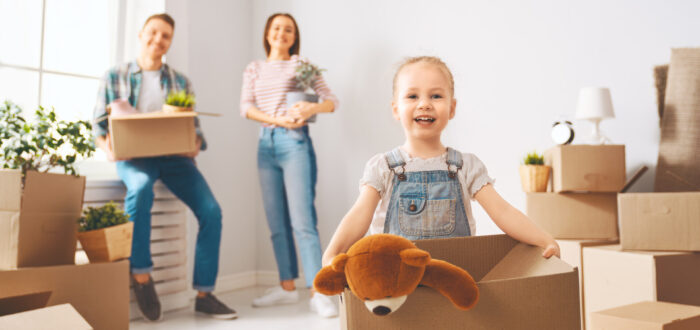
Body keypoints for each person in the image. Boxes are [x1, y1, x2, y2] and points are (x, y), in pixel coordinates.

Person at [322, 56, 560, 267]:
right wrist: (333, 252)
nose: (424, 103)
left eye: (436, 96)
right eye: (412, 96)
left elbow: (503, 212)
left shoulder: (466, 166)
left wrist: (543, 239)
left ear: (452, 108)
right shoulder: (383, 167)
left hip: (454, 278)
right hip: (397, 280)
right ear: (396, 109)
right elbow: (359, 215)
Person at [93, 13, 236, 321]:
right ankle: (142, 277)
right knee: (141, 190)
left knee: (212, 211)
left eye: (166, 36)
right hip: (133, 158)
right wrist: (109, 150)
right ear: (142, 33)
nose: (158, 40)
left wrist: (194, 145)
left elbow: (194, 129)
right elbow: (98, 126)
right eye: (154, 33)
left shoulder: (180, 81)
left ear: (170, 42)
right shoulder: (114, 75)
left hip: (175, 159)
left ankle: (205, 294)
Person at [239, 13, 338, 318]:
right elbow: (246, 108)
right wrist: (275, 119)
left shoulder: (301, 65)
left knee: (302, 220)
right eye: (277, 28)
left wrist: (310, 106)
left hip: (294, 142)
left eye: (289, 29)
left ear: (294, 37)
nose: (282, 33)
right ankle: (285, 287)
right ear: (267, 33)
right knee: (276, 222)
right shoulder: (254, 68)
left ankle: (317, 291)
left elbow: (331, 101)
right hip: (265, 145)